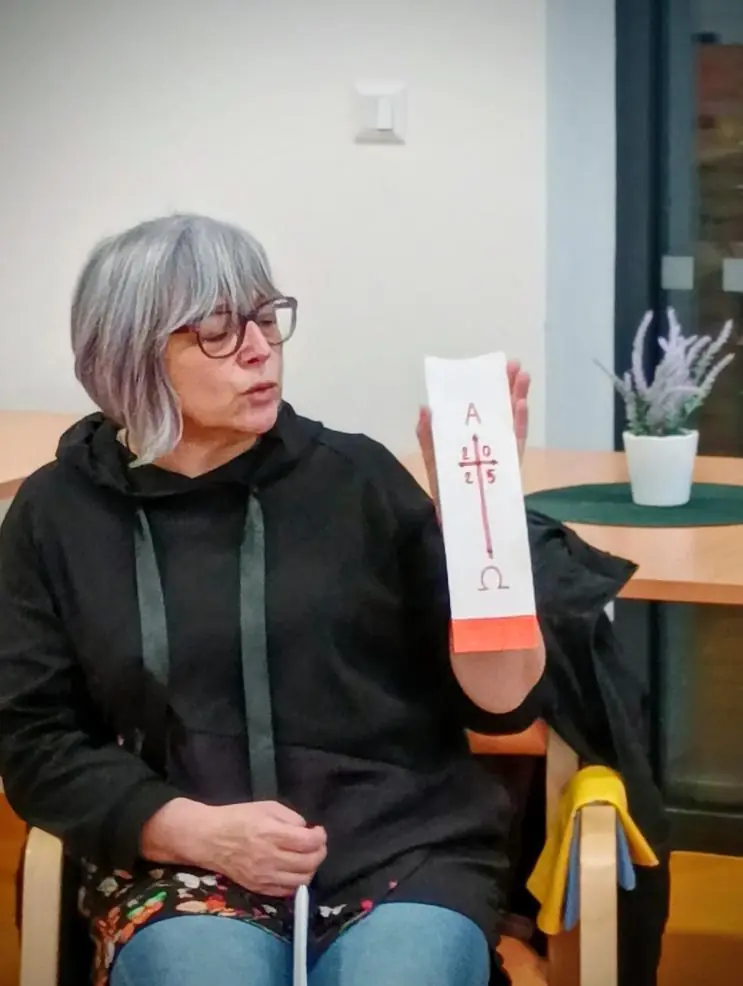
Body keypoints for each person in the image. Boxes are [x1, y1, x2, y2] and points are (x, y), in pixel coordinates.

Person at [0, 214, 546, 986]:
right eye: (218, 331)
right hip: (180, 856)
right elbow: (33, 740)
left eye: (265, 318)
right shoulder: (55, 516)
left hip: (400, 846)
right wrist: (192, 832)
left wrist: (480, 521)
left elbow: (502, 700)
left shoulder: (355, 480)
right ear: (129, 351)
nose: (259, 349)